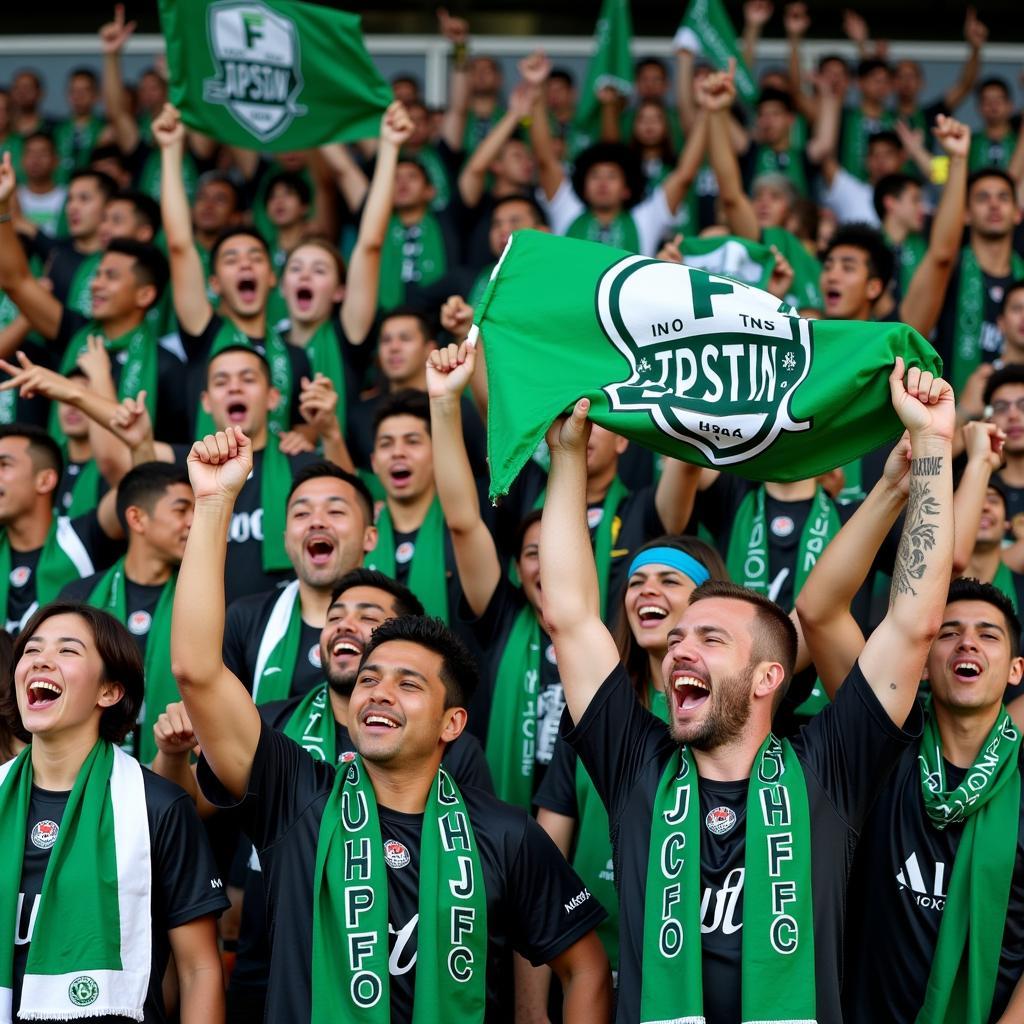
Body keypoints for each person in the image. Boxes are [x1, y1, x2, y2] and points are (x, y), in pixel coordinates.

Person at [539, 358, 955, 1022]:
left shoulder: (830, 768)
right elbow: (567, 613)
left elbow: (914, 625)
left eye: (710, 638)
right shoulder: (634, 766)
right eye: (677, 638)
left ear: (770, 678)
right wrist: (566, 457)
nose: (680, 647)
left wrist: (932, 449)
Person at [171, 425, 612, 1022]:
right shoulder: (296, 796)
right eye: (371, 679)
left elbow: (584, 965)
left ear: (453, 722)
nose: (378, 692)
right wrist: (214, 503)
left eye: (408, 684)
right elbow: (197, 669)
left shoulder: (505, 833)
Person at [155, 567, 494, 1023]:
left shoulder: (459, 755)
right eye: (334, 616)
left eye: (367, 615)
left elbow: (482, 869)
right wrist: (174, 758)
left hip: (415, 977)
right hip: (276, 962)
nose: (344, 625)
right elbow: (191, 803)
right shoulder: (272, 729)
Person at [796, 467, 1024, 1019]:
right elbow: (819, 611)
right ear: (921, 663)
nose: (966, 642)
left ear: (1016, 670)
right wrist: (896, 485)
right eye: (947, 632)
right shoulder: (877, 743)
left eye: (987, 635)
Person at [0, 602, 228, 1021]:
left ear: (110, 691)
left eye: (67, 651)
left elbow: (199, 969)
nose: (41, 661)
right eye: (31, 651)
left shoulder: (157, 806)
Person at [529, 535, 727, 1001]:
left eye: (669, 580)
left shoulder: (732, 715)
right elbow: (544, 859)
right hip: (582, 969)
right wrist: (532, 1005)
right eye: (635, 581)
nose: (646, 591)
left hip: (688, 976)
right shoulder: (594, 713)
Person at [0, 153, 188, 445]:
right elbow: (17, 282)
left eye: (110, 276)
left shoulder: (167, 367)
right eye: (97, 274)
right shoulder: (75, 333)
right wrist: (3, 208)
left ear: (145, 294)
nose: (96, 284)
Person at [154, 103, 312, 439]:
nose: (244, 264)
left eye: (255, 256)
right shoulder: (204, 333)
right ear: (214, 283)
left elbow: (302, 432)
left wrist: (310, 433)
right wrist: (170, 151)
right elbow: (181, 245)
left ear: (272, 277)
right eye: (230, 259)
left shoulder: (296, 357)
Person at [56, 463, 193, 762]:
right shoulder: (79, 597)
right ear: (137, 518)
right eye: (182, 510)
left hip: (175, 776)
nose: (193, 521)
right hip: (88, 769)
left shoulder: (200, 596)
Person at [223, 461, 377, 702]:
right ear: (286, 540)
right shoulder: (245, 619)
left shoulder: (397, 620)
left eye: (335, 511)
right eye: (302, 513)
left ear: (369, 537)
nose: (316, 522)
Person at [196, 345, 320, 603]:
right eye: (222, 381)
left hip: (285, 616)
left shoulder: (305, 465)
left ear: (272, 397)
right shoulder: (193, 467)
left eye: (248, 379)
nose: (234, 388)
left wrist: (329, 432)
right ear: (206, 402)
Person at [0, 425, 120, 634]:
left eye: (4, 465)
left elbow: (136, 492)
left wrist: (140, 444)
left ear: (45, 480)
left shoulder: (81, 537)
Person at [935, 168, 1024, 392]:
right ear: (965, 213)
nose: (994, 204)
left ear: (1017, 213)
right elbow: (940, 252)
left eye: (1003, 197)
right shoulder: (947, 272)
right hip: (954, 410)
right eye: (983, 197)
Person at [53, 68, 105, 185]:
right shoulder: (55, 130)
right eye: (74, 91)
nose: (78, 96)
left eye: (84, 91)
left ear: (96, 95)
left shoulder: (105, 129)